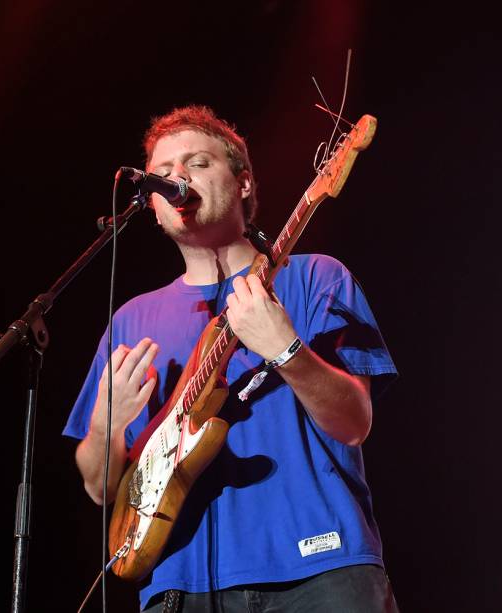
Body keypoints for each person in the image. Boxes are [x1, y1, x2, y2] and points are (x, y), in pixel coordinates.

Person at [63, 105, 399, 612]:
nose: (176, 177)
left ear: (243, 183)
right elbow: (99, 488)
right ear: (151, 205)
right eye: (163, 172)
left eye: (196, 163)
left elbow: (355, 422)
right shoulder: (130, 320)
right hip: (180, 588)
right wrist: (105, 425)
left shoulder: (315, 278)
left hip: (321, 570)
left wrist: (286, 350)